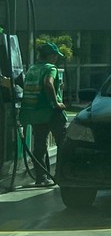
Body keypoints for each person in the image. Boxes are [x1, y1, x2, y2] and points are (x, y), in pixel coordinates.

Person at [20, 41, 68, 187]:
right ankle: (61, 175)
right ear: (51, 56)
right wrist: (56, 102)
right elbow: (48, 83)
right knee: (64, 143)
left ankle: (41, 178)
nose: (56, 58)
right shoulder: (50, 68)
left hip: (35, 112)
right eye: (55, 56)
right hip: (51, 111)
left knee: (39, 146)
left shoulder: (32, 69)